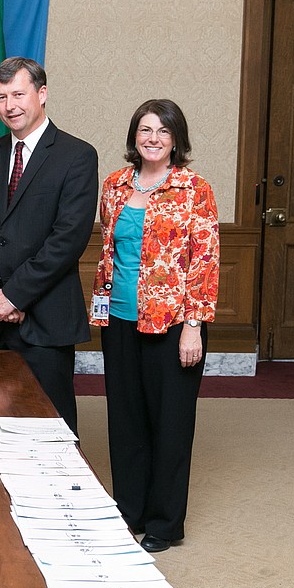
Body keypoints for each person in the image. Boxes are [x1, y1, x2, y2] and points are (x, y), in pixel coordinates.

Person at [91, 99, 219, 553]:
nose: (153, 139)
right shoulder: (115, 185)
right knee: (125, 420)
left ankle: (164, 523)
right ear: (134, 135)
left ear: (176, 140)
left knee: (170, 423)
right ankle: (130, 510)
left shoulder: (194, 189)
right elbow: (112, 248)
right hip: (120, 321)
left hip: (172, 325)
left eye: (163, 132)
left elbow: (204, 262)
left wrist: (194, 325)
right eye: (145, 130)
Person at [0, 57, 99, 436]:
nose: (10, 106)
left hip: (45, 319)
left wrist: (14, 296)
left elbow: (67, 240)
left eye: (18, 94)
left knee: (48, 426)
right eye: (1, 97)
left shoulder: (77, 156)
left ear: (42, 93)